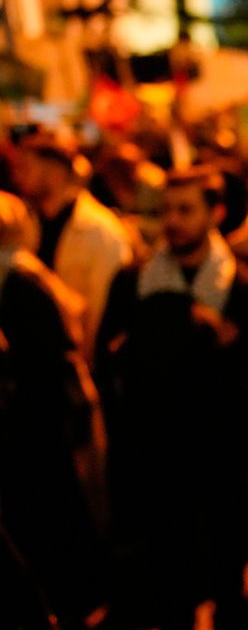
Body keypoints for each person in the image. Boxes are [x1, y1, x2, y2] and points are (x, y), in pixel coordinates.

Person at [95, 166, 248, 629]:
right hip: (154, 455)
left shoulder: (240, 288)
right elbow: (109, 364)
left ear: (216, 213)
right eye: (167, 209)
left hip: (216, 456)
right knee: (167, 582)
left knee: (225, 578)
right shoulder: (134, 281)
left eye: (186, 209)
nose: (173, 220)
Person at [0, 192, 107, 628]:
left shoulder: (19, 280)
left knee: (48, 518)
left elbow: (51, 358)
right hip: (38, 422)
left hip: (39, 425)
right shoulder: (21, 274)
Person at [14, 138, 133, 358]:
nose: (19, 176)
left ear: (55, 172)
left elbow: (102, 313)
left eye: (27, 167)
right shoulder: (27, 223)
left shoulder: (101, 232)